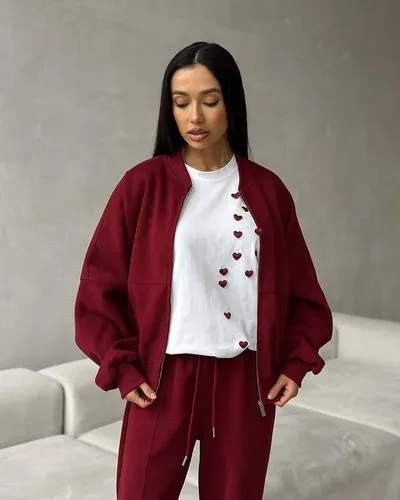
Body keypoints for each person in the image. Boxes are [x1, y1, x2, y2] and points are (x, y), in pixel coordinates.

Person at [74, 41, 333, 500]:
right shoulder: (143, 185)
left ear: (231, 103)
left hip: (244, 384)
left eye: (210, 101)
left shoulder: (268, 191)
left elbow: (305, 294)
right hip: (162, 381)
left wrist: (295, 364)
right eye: (181, 102)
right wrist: (124, 369)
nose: (195, 117)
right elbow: (98, 290)